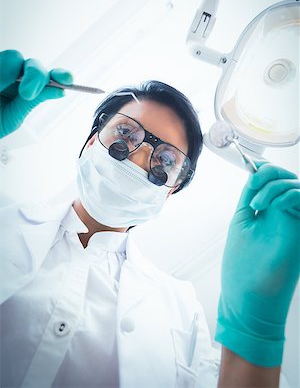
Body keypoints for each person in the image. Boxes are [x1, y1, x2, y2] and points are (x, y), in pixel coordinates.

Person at [0, 49, 299, 388]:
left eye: (165, 160)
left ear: (171, 190)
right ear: (89, 142)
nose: (140, 156)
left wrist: (253, 327)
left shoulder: (182, 312)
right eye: (126, 134)